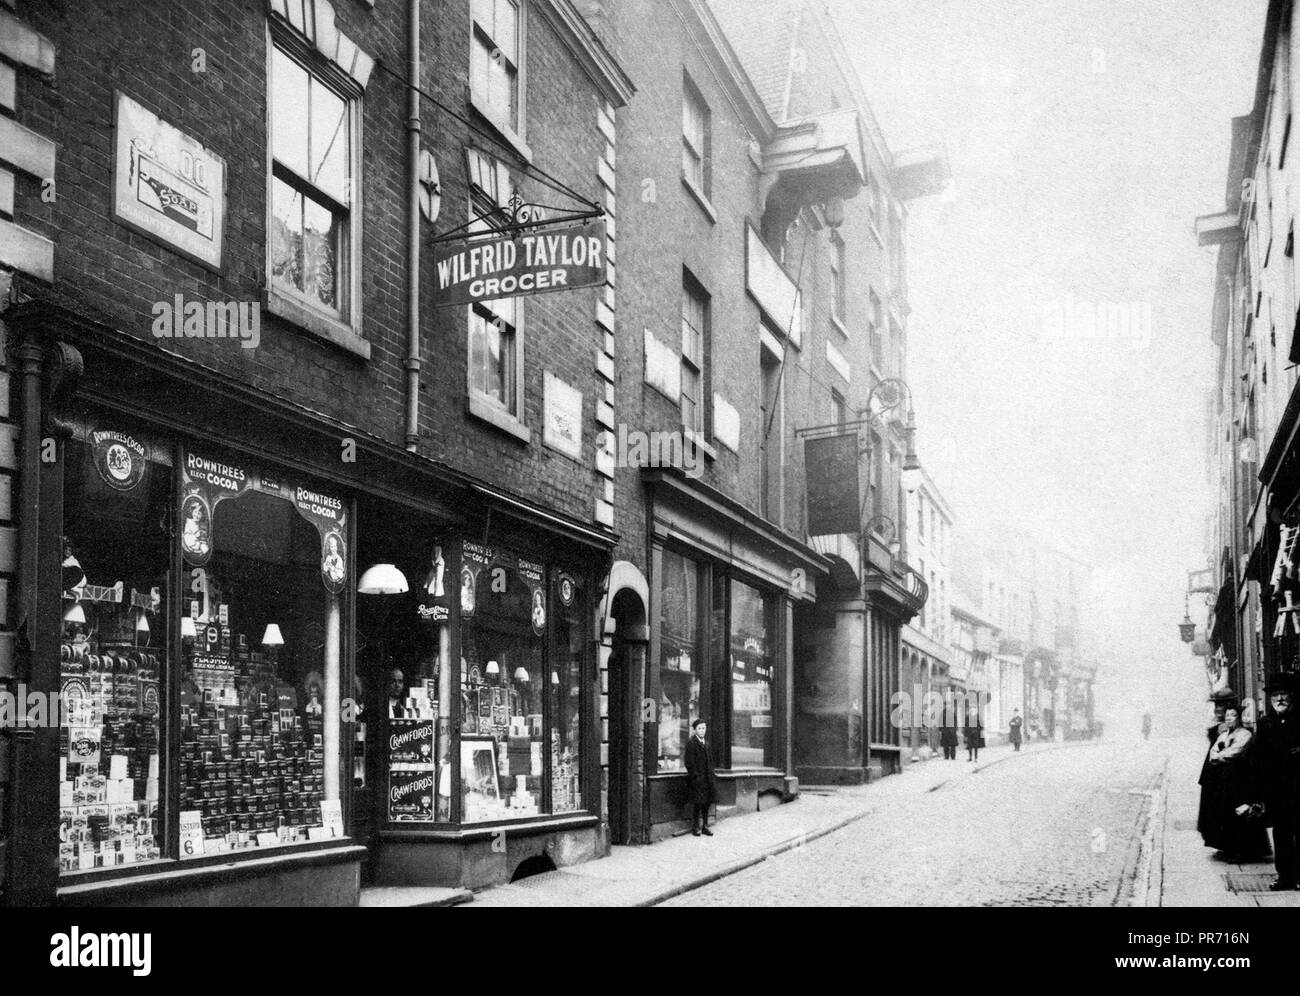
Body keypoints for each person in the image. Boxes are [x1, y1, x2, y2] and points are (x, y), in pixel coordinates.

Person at [1198, 703, 1270, 862]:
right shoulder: (1223, 735)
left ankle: (1241, 851)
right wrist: (1217, 755)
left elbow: (1236, 751)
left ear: (1239, 718)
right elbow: (1214, 751)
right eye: (1227, 716)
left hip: (1240, 780)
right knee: (1224, 813)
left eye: (1233, 715)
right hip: (1223, 780)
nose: (1229, 718)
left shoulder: (1245, 734)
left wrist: (1220, 756)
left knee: (1239, 815)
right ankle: (1228, 847)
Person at [1253, 674, 1300, 890]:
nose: (1279, 698)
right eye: (1275, 695)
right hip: (1276, 790)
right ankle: (1285, 877)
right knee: (1281, 834)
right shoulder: (1265, 724)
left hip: (1298, 786)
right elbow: (1258, 758)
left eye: (1283, 694)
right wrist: (1260, 792)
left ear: (1291, 696)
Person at [1197, 690, 1233, 847]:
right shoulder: (1219, 721)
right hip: (1214, 769)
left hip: (1224, 770)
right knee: (1214, 806)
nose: (1217, 708)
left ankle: (1229, 844)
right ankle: (1222, 843)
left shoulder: (1228, 724)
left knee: (1224, 807)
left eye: (1221, 704)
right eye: (1216, 704)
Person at [685, 718, 717, 837]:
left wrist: (712, 775)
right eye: (699, 728)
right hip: (698, 780)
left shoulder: (706, 744)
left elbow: (710, 762)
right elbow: (689, 763)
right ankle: (696, 827)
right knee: (698, 804)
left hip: (708, 779)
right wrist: (695, 777)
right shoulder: (691, 743)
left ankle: (705, 826)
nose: (702, 731)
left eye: (704, 728)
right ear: (695, 730)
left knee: (706, 803)